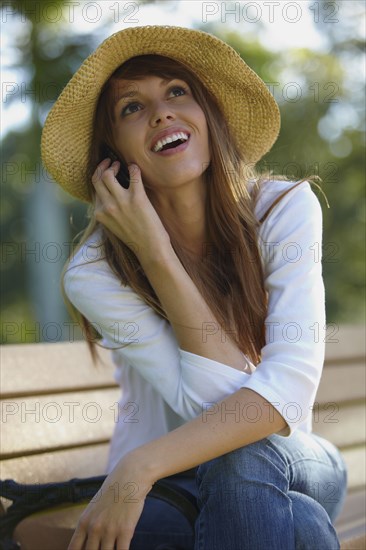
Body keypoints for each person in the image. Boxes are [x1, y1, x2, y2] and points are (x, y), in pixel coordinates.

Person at [41, 25, 347, 550]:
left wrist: (139, 466)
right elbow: (216, 407)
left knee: (243, 452)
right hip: (169, 490)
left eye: (176, 91)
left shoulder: (282, 209)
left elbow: (282, 403)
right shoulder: (95, 270)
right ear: (110, 154)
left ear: (208, 116)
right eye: (131, 108)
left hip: (287, 455)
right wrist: (154, 253)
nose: (162, 113)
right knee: (301, 526)